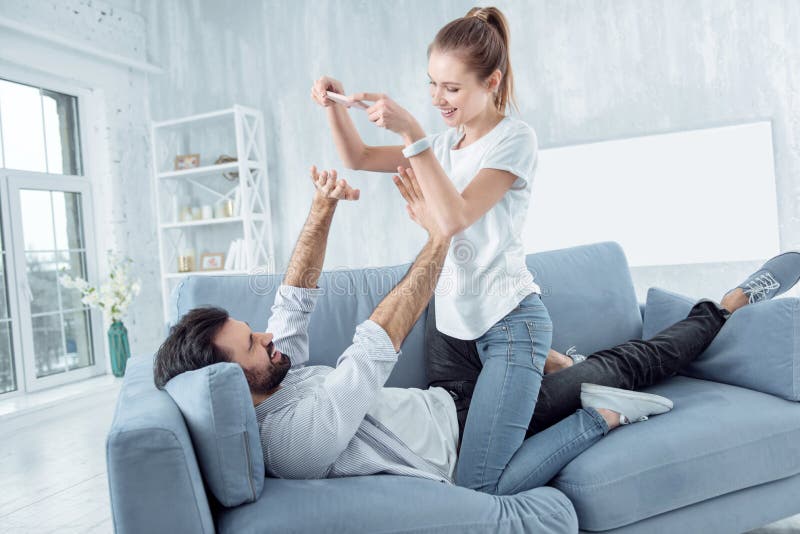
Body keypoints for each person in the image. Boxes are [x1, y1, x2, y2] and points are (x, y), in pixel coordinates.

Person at [153, 167, 800, 495]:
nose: (266, 338)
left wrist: (321, 208)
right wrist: (440, 234)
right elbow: (374, 343)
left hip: (445, 395)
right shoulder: (292, 443)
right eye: (251, 345)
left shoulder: (273, 376)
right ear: (236, 383)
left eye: (253, 332)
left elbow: (292, 301)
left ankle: (537, 358)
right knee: (626, 364)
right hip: (474, 432)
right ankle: (729, 304)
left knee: (461, 286)